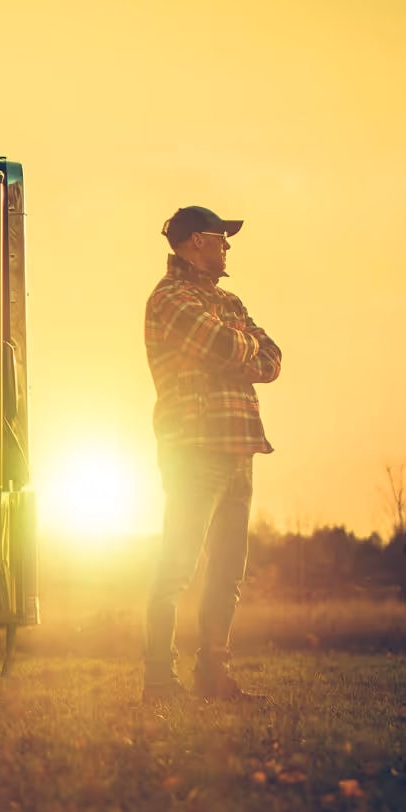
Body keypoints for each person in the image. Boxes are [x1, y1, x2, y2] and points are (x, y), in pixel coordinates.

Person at [143, 206, 281, 702]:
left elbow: (273, 357)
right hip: (194, 450)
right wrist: (242, 348)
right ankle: (159, 680)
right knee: (177, 567)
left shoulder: (229, 300)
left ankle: (213, 675)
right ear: (197, 241)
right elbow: (223, 343)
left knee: (228, 570)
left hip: (240, 447)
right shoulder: (169, 299)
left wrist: (238, 349)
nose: (227, 248)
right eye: (222, 239)